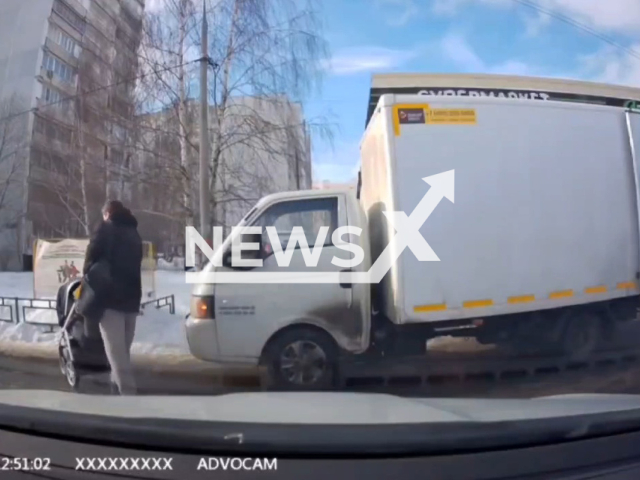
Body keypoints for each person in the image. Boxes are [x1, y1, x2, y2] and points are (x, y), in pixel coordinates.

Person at [83, 200, 143, 395]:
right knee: (122, 351)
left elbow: (91, 256)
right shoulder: (134, 233)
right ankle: (114, 390)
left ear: (107, 213)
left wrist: (88, 276)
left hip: (110, 298)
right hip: (132, 298)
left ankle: (128, 396)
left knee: (116, 354)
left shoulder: (106, 228)